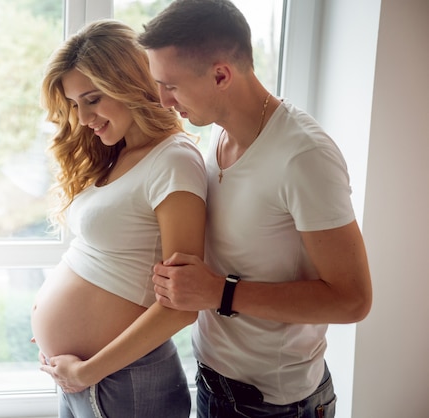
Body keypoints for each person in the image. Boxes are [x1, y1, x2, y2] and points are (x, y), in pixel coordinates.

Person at [138, 1, 373, 417]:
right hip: (214, 383)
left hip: (275, 404)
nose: (163, 100)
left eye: (170, 85)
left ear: (220, 75)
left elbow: (352, 300)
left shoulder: (304, 156)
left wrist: (218, 291)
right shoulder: (217, 135)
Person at [31, 19, 207, 417]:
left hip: (121, 380)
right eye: (75, 104)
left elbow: (183, 304)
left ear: (130, 83)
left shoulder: (174, 161)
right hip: (85, 377)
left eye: (92, 99)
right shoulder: (117, 155)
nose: (83, 117)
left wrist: (88, 369)